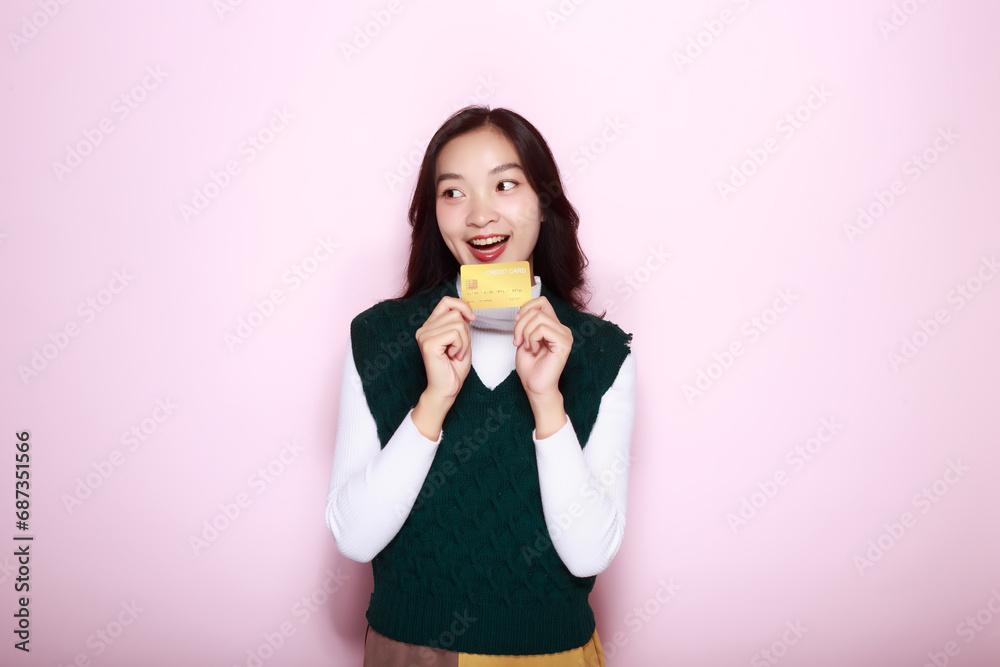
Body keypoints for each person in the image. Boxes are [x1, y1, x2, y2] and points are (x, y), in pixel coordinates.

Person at [325, 105, 636, 666]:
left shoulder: (603, 351)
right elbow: (355, 538)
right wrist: (434, 399)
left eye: (505, 184)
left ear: (543, 202)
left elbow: (588, 552)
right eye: (453, 193)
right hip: (412, 654)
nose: (479, 215)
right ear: (433, 214)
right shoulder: (376, 337)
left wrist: (547, 401)